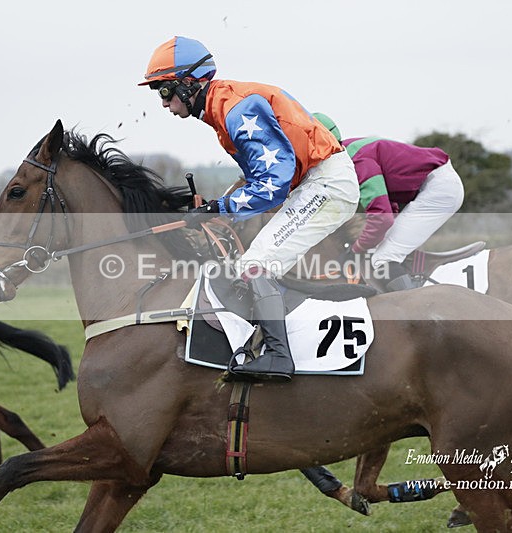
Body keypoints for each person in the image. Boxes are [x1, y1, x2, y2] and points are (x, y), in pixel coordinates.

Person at [140, 37, 359, 381]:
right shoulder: (223, 107)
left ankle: (277, 357)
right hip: (316, 184)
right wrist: (212, 204)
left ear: (189, 83)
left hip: (325, 185)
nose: (163, 102)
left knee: (255, 266)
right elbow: (258, 178)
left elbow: (274, 183)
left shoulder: (236, 110)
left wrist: (219, 207)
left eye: (164, 91)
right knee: (251, 264)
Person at [313, 113, 464, 291]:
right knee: (382, 247)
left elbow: (382, 218)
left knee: (382, 260)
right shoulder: (349, 149)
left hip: (438, 189)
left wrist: (356, 250)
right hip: (436, 184)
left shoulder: (356, 161)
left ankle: (414, 306)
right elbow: (388, 207)